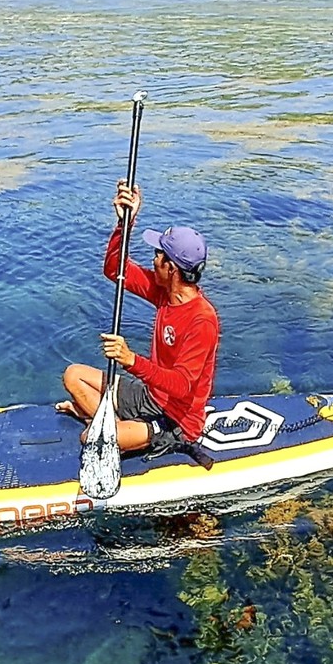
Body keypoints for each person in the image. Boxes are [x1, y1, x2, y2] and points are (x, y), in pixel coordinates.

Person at [59, 182, 219, 458]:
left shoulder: (202, 319)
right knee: (73, 375)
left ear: (171, 268)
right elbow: (114, 269)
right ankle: (118, 427)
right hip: (150, 395)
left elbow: (182, 385)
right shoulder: (164, 293)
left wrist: (130, 360)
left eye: (158, 254)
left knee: (90, 439)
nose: (153, 258)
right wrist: (125, 223)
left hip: (177, 419)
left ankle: (113, 428)